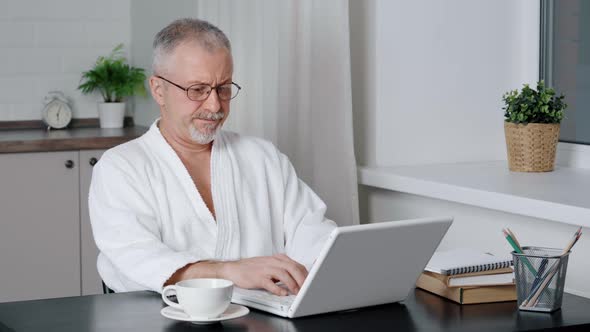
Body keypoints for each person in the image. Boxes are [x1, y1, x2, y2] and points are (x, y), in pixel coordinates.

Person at [88, 18, 336, 296]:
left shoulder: (263, 157)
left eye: (224, 88)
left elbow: (315, 237)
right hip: (154, 318)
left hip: (262, 317)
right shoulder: (121, 167)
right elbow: (136, 256)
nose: (214, 105)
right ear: (159, 90)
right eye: (197, 90)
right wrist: (230, 271)